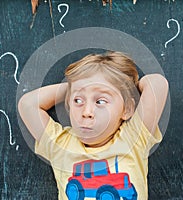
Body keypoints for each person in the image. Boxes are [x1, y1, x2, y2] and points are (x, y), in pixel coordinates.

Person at [18, 51, 169, 200]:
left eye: (100, 101)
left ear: (127, 108)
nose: (87, 112)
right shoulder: (61, 146)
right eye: (78, 101)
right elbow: (28, 104)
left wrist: (130, 87)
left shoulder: (133, 138)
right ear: (69, 105)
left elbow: (157, 84)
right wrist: (73, 88)